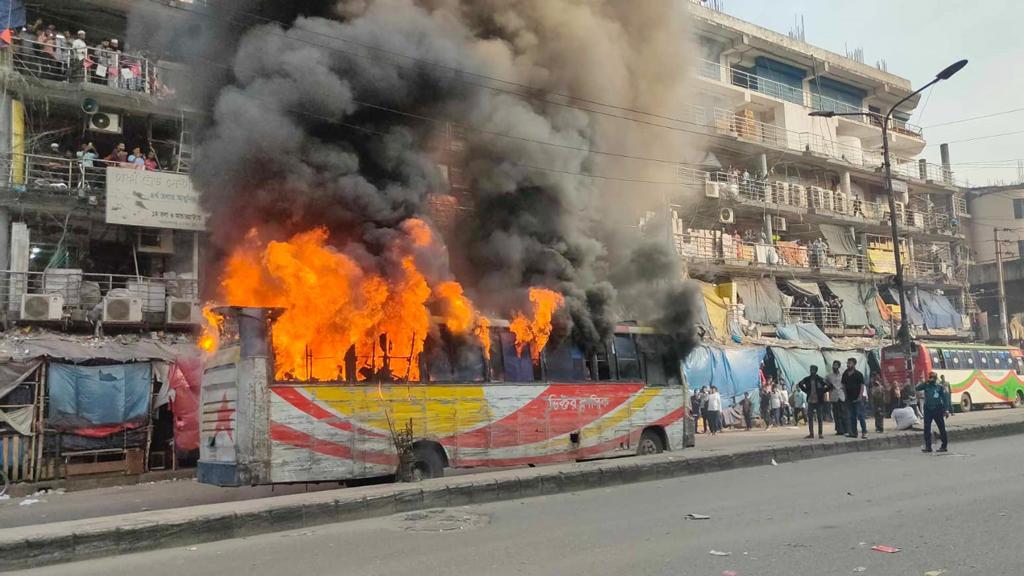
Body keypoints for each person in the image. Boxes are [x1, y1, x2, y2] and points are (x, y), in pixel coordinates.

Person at [916, 372, 951, 452]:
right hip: (928, 409)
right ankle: (928, 446)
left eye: (933, 377)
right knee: (927, 428)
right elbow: (917, 388)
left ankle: (944, 446)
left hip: (938, 409)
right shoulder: (926, 385)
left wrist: (946, 410)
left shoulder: (939, 387)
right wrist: (925, 382)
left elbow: (945, 399)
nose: (931, 378)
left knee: (941, 428)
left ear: (935, 378)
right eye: (930, 377)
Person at [798, 365, 832, 439]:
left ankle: (820, 433)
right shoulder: (807, 379)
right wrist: (806, 391)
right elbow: (800, 384)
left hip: (819, 401)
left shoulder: (820, 379)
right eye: (811, 370)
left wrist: (822, 391)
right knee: (810, 418)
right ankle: (811, 434)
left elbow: (829, 385)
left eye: (813, 370)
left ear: (816, 371)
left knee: (819, 417)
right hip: (810, 400)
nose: (812, 371)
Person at [843, 358, 868, 439]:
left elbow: (862, 386)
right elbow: (843, 385)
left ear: (854, 364)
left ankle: (864, 432)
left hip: (857, 398)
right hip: (849, 398)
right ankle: (854, 433)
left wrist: (860, 396)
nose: (848, 364)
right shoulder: (845, 374)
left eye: (849, 363)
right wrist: (845, 395)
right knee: (852, 416)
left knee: (860, 415)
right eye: (847, 363)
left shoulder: (858, 374)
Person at [827, 360, 847, 436]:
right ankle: (839, 430)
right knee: (836, 414)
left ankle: (845, 429)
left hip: (841, 395)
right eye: (833, 365)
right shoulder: (829, 376)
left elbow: (845, 384)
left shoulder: (842, 375)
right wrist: (829, 388)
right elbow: (826, 383)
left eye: (836, 365)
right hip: (834, 395)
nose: (834, 366)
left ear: (838, 366)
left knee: (843, 413)